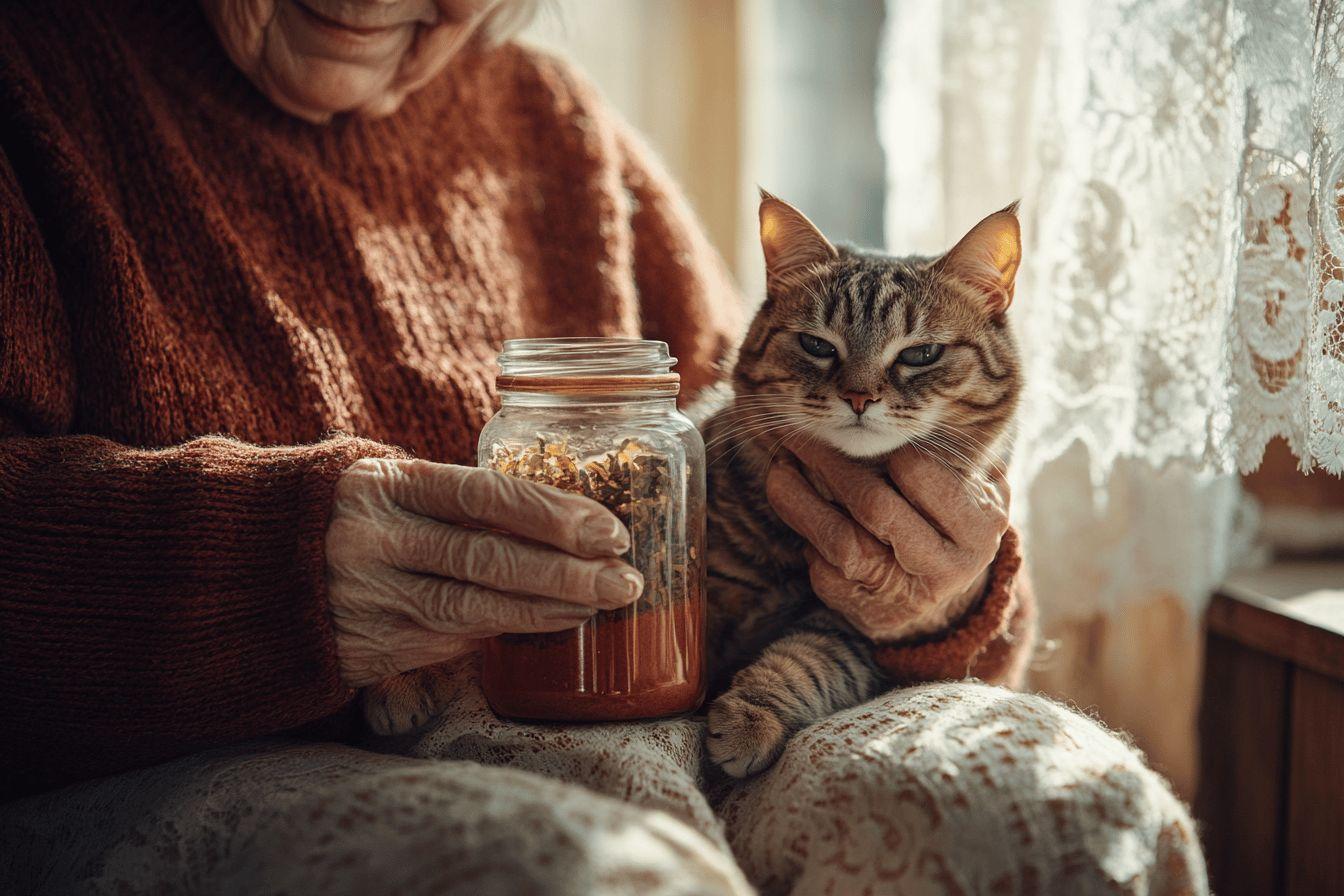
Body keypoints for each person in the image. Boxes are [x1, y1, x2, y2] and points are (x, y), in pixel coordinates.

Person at [0, 1, 1206, 892]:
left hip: (698, 701)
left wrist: (939, 596)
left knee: (1057, 816)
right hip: (236, 751)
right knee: (586, 872)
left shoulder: (561, 128)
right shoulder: (37, 77)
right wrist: (263, 571)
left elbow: (782, 421)